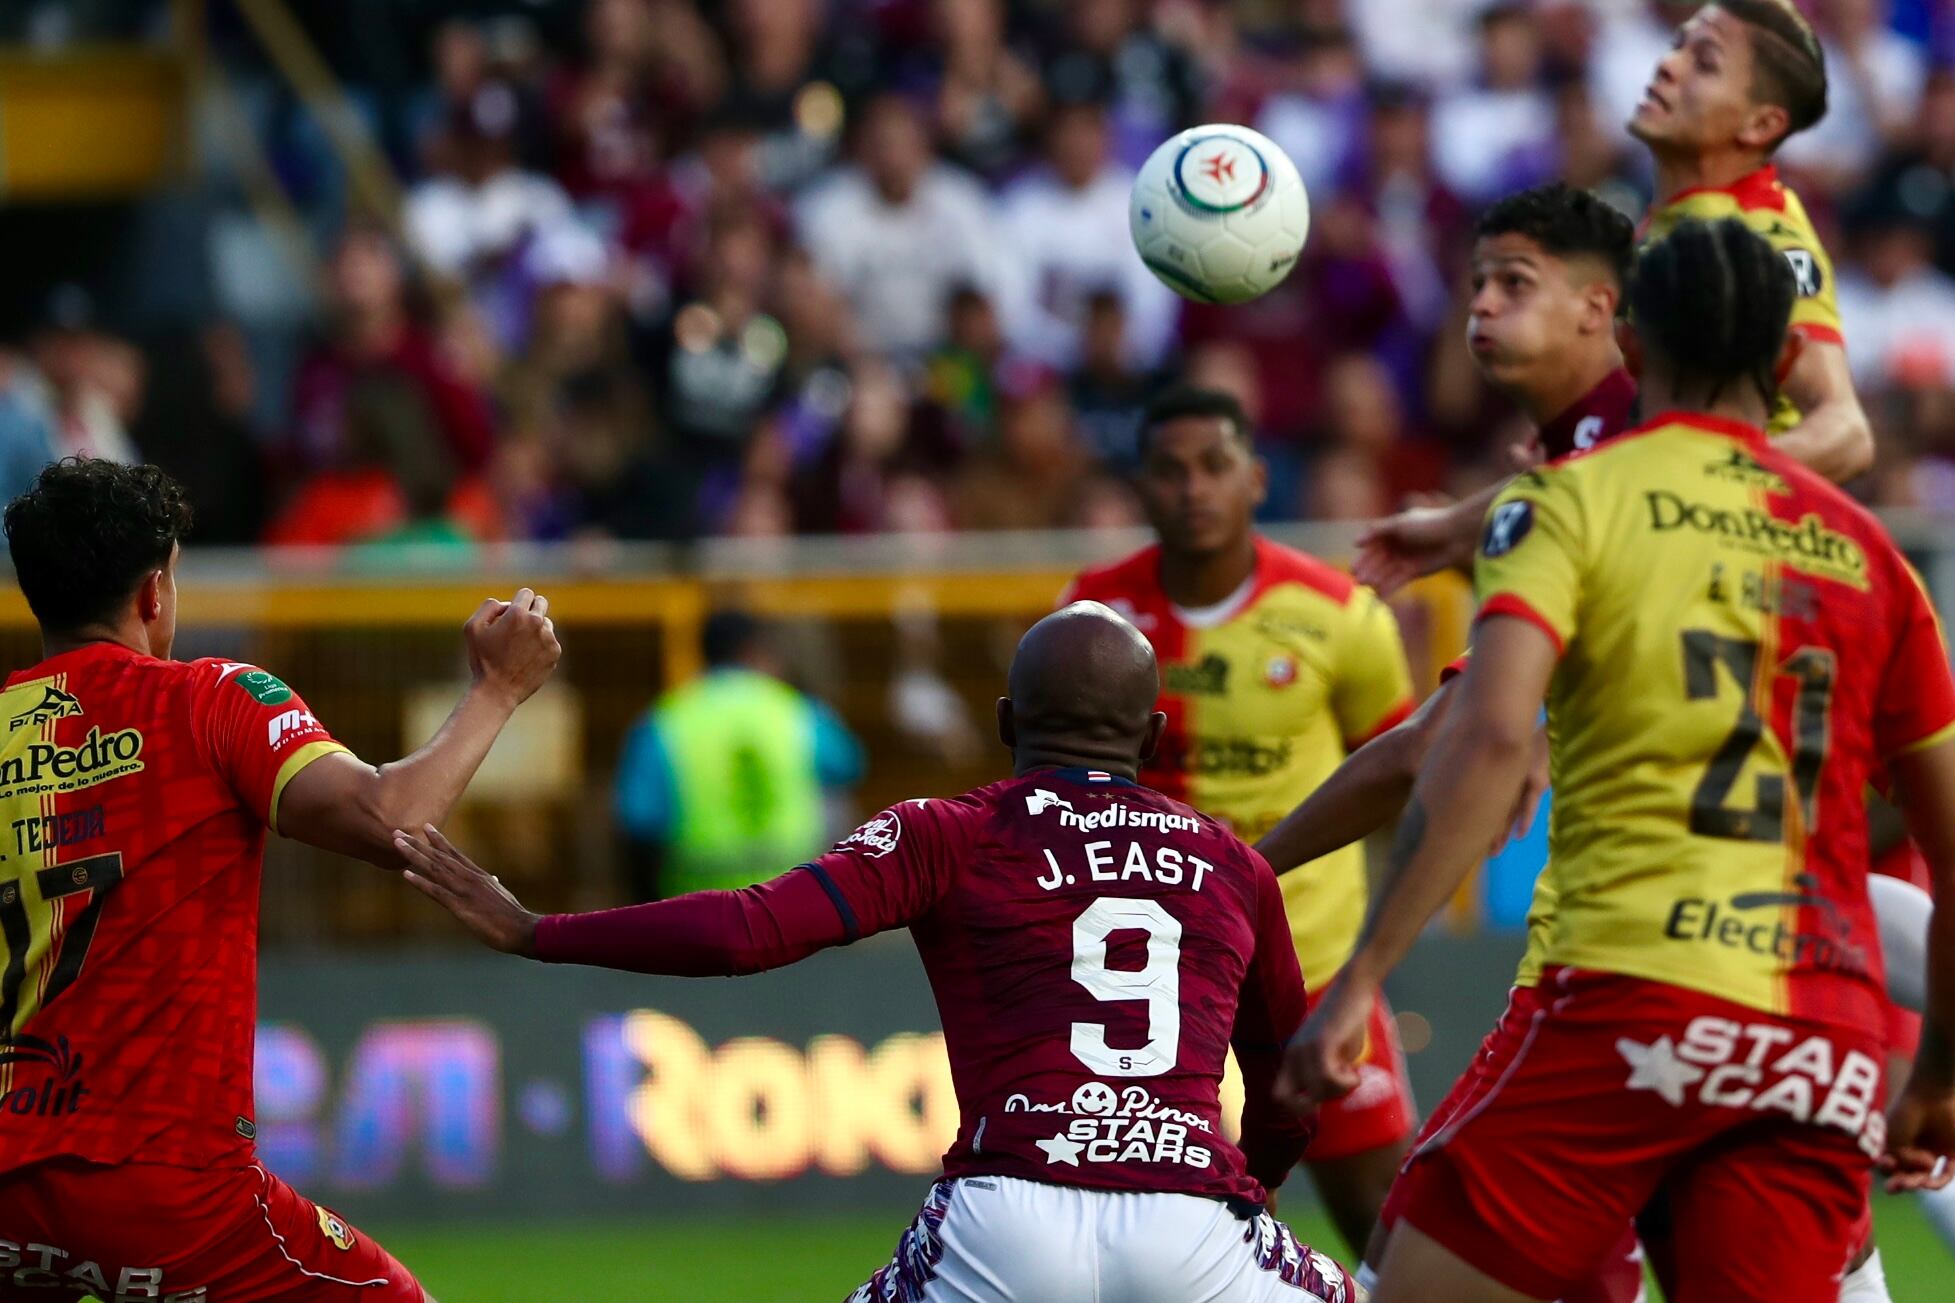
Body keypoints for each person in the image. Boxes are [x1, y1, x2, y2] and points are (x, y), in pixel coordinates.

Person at [1286, 218, 1955, 1302]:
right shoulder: (1870, 555)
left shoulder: (1568, 504)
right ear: (1784, 360)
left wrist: (1358, 976)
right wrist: (1934, 1073)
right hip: (1814, 1037)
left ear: (1631, 346)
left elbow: (1487, 740)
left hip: (1629, 1001)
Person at [395, 602, 1358, 1303]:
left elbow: (745, 929)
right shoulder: (1233, 863)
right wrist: (1254, 1177)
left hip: (1003, 1215)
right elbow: (1286, 1085)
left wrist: (536, 930)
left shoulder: (951, 833)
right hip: (1191, 1219)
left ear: (1006, 724)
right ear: (1150, 735)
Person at [0, 458, 560, 1301]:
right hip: (164, 1181)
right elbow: (393, 818)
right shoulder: (211, 699)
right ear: (155, 592)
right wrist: (498, 689)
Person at [1259, 180, 1643, 1303]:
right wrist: (1466, 521)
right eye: (1474, 283)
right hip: (1744, 955)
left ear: (1597, 306)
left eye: (1512, 283)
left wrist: (1249, 876)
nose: (1478, 306)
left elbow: (1428, 751)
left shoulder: (1586, 480)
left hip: (1621, 967)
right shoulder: (1612, 452)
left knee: (1407, 1271)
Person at [1355, 0, 1873, 597]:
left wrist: (1689, 489)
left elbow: (1845, 430)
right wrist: (1453, 528)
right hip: (1646, 574)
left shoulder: (1762, 235)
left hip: (1723, 591)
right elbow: (1614, 467)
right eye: (1677, 44)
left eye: (1703, 63)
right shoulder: (1661, 229)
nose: (1667, 65)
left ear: (1759, 125)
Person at [1063, 386, 1417, 1255]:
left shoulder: (1341, 614)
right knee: (1122, 1227)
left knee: (1383, 1221)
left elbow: (1405, 779)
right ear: (1140, 486)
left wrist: (1376, 957)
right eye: (1170, 470)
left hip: (1312, 966)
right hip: (1146, 976)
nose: (1194, 488)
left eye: (1214, 466)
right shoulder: (1091, 617)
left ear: (1257, 478)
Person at [613, 609, 863, 901]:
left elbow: (639, 819)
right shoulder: (795, 710)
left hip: (700, 904)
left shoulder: (666, 720)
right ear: (754, 649)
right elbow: (849, 765)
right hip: (791, 898)